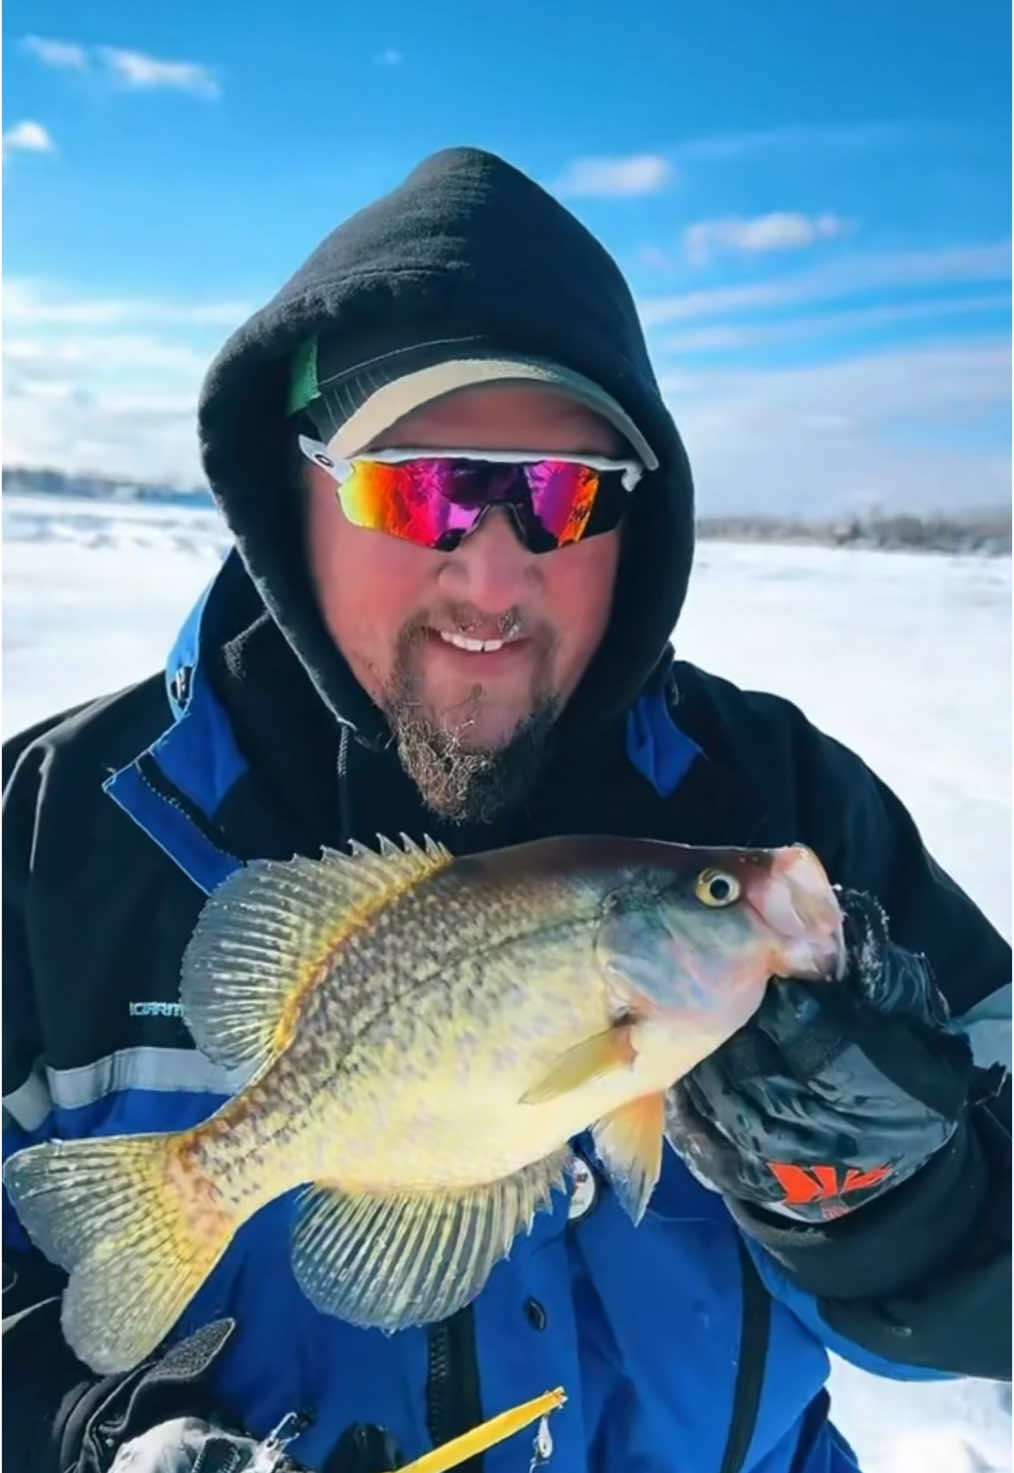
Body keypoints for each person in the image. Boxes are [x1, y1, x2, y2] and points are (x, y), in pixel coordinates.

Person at [2, 147, 1009, 1473]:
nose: (489, 578)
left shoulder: (783, 797)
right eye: (417, 486)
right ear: (288, 494)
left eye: (560, 495)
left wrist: (890, 1195)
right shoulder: (54, 832)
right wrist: (83, 1431)